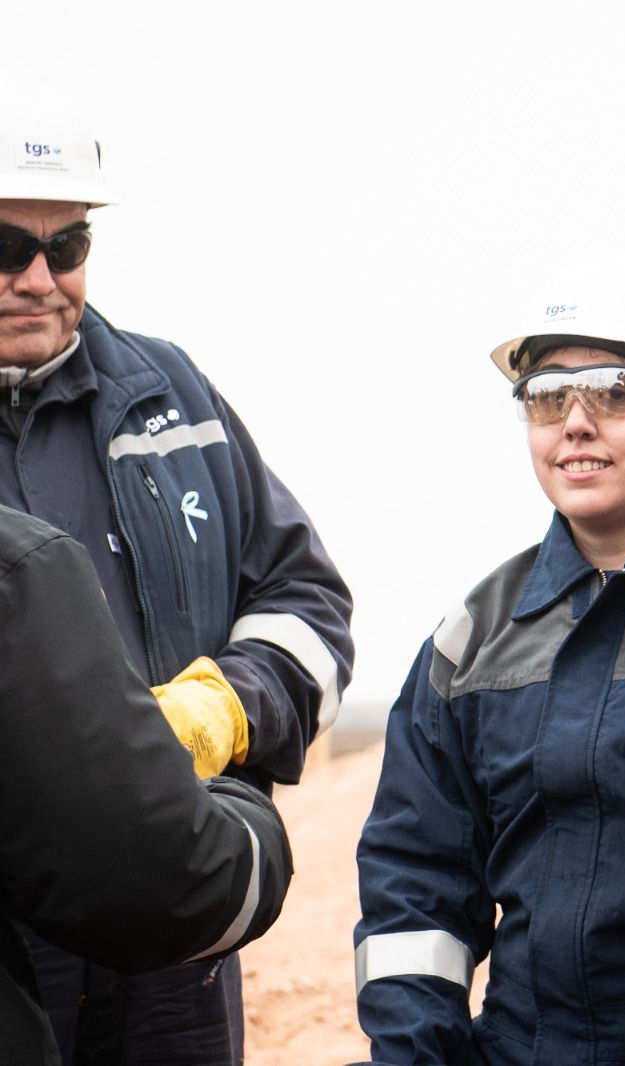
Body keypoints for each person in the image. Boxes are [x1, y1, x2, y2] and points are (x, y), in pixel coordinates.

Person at [0, 83, 354, 1063]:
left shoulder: (172, 401)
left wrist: (226, 709)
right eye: (5, 248)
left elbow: (306, 602)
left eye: (65, 246)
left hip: (174, 947)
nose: (39, 278)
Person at [353, 301, 625, 1064]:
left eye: (615, 392)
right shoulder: (475, 639)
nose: (575, 422)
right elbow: (416, 885)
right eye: (547, 397)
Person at [1, 505, 294, 1066]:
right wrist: (254, 823)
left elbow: (303, 593)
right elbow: (175, 878)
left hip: (177, 1004)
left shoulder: (196, 419)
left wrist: (232, 700)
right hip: (60, 960)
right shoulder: (21, 565)